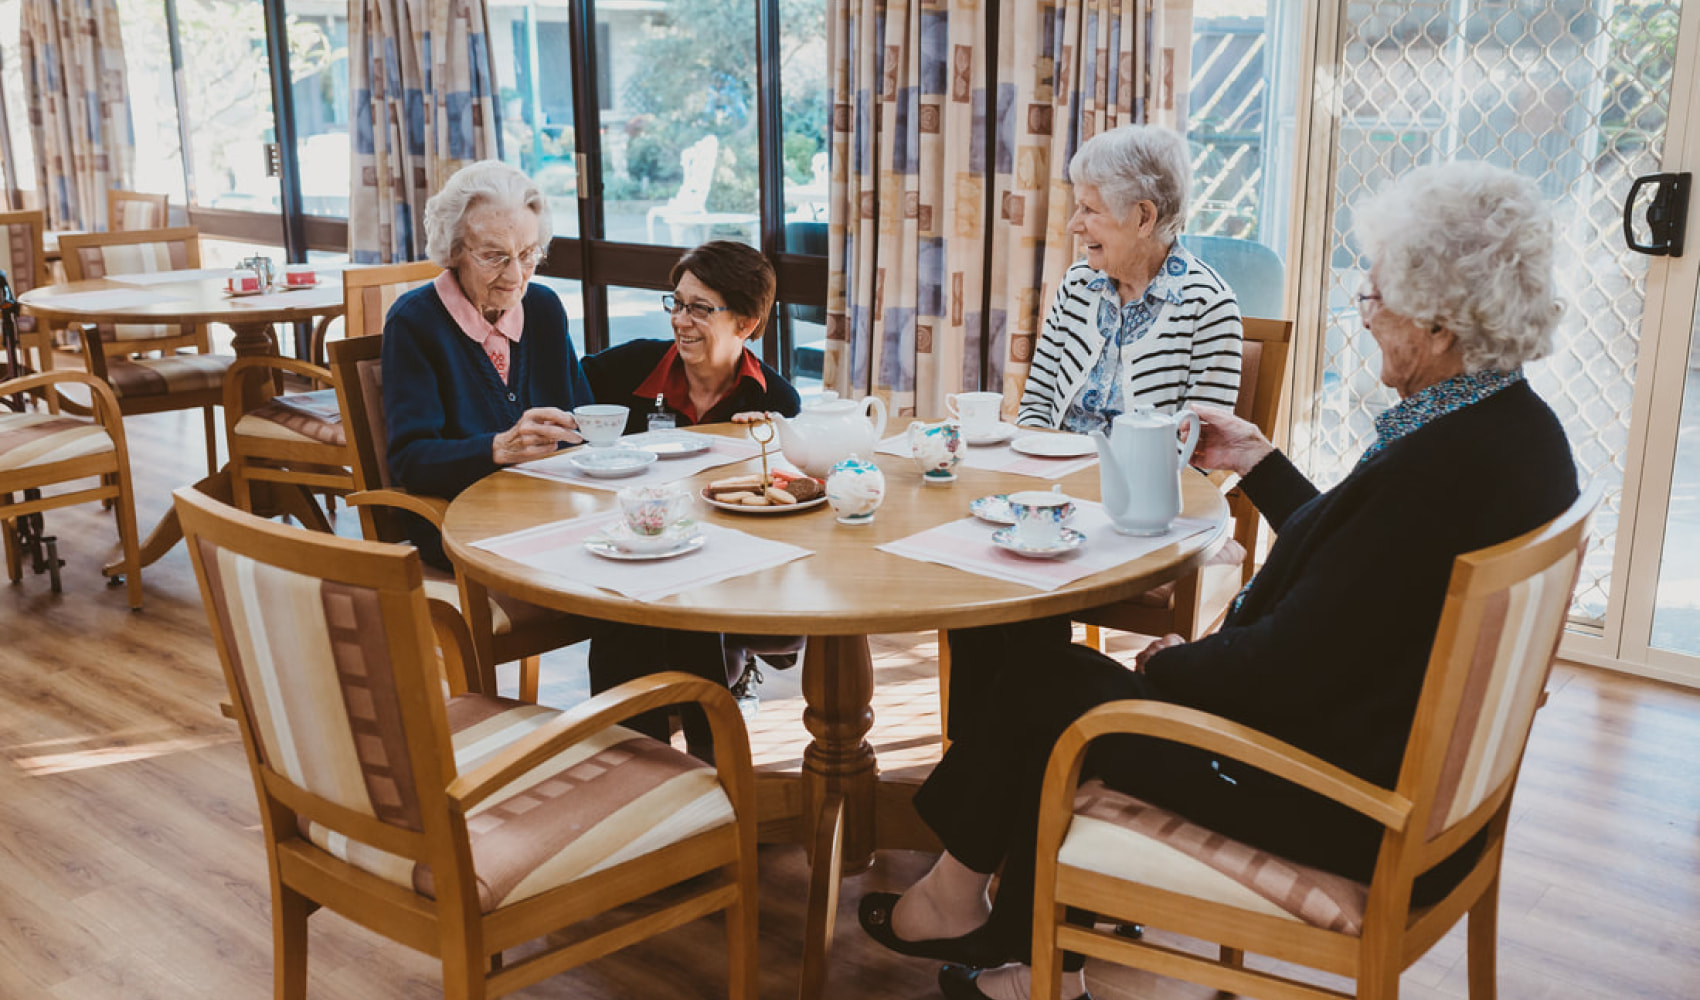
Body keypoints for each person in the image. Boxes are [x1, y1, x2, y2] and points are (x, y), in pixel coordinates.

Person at [861, 161, 1580, 1000]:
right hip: (1405, 787)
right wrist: (1264, 466)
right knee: (1055, 685)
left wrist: (1168, 666)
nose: (1366, 319)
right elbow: (1361, 573)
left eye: (1376, 301)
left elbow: (1292, 664)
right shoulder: (1511, 435)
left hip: (1333, 799)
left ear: (1442, 322)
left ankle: (971, 913)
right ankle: (1029, 957)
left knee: (1045, 689)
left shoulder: (1439, 469)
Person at [582, 241, 803, 759]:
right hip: (635, 552)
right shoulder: (623, 371)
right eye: (677, 304)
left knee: (677, 603)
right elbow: (564, 407)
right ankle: (664, 768)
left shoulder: (774, 402)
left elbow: (792, 501)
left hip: (729, 562)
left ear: (746, 325)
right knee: (641, 607)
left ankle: (697, 771)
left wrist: (765, 450)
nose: (681, 321)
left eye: (700, 309)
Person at [382, 160, 592, 566]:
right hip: (465, 525)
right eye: (494, 257)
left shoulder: (544, 307)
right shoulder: (415, 322)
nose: (515, 276)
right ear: (454, 250)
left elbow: (581, 416)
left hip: (554, 511)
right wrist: (498, 448)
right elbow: (410, 459)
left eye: (528, 254)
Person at [1016, 124, 1243, 431]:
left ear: (1143, 218)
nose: (1073, 225)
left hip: (1146, 480)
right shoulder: (1078, 284)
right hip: (1053, 476)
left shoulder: (1208, 306)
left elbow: (1198, 452)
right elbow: (1036, 404)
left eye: (1089, 209)